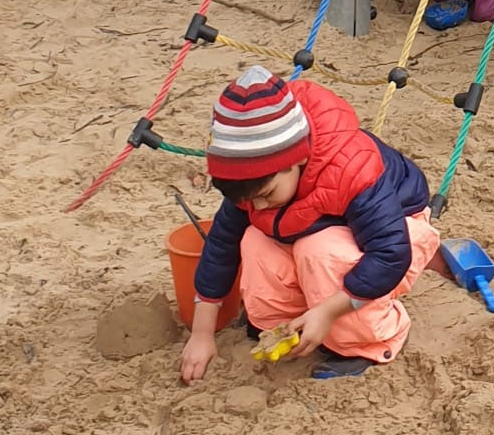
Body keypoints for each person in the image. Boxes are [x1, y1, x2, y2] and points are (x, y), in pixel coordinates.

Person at [182, 64, 439, 384]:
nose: (257, 205)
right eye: (249, 201)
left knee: (318, 250)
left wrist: (329, 311)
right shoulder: (254, 186)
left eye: (265, 194)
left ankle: (369, 341)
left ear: (298, 158)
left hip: (398, 233)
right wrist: (201, 334)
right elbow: (221, 245)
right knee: (254, 241)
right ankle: (288, 326)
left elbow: (390, 254)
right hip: (317, 225)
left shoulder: (350, 168)